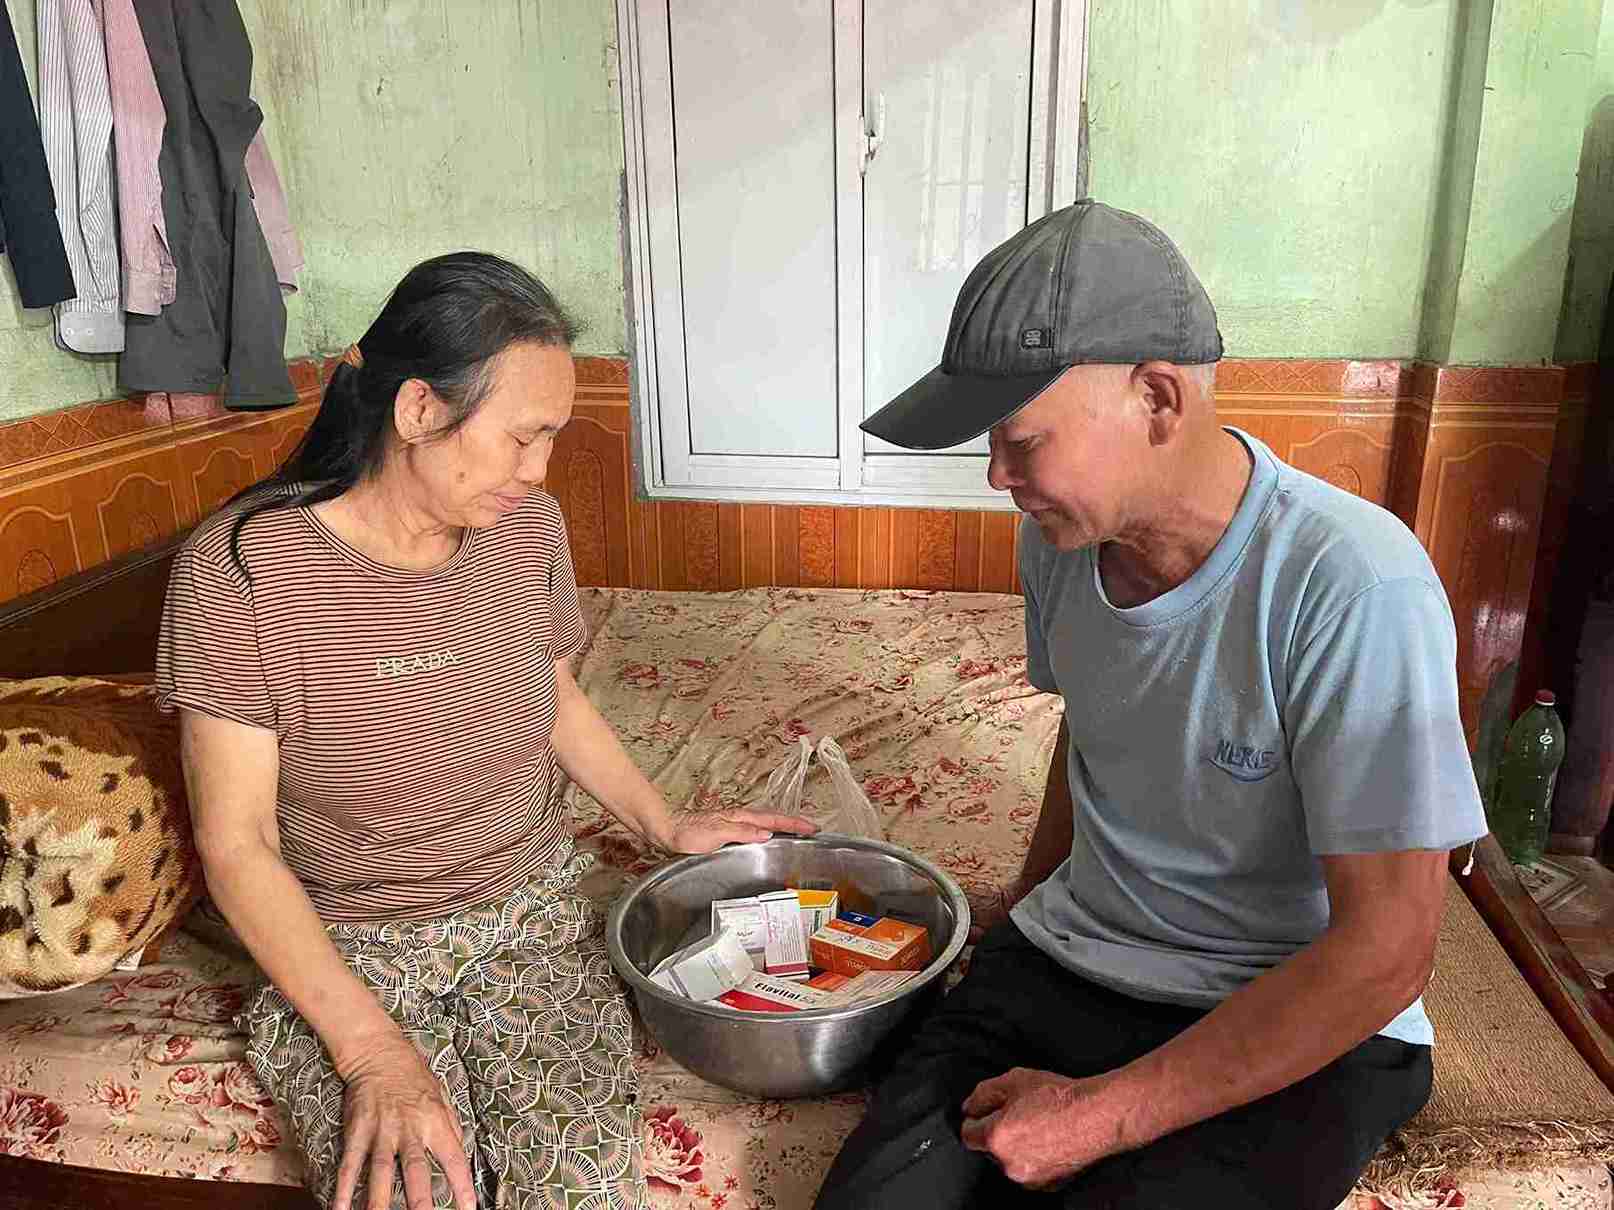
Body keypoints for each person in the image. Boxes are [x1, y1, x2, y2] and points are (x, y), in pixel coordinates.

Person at [813, 201, 1487, 1209]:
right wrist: (1026, 900)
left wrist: (1097, 1114)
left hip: (1289, 1010)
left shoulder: (1353, 585)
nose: (998, 475)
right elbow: (1093, 721)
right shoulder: (1060, 545)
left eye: (1021, 438)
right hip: (1076, 959)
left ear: (1159, 399)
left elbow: (1387, 952)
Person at [156, 252, 816, 1210]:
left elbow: (548, 692)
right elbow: (238, 842)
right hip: (351, 941)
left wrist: (660, 823)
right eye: (522, 438)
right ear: (420, 410)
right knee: (413, 1189)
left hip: (533, 914)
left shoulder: (525, 530)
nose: (539, 472)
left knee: (585, 1186)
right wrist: (375, 1053)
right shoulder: (241, 570)